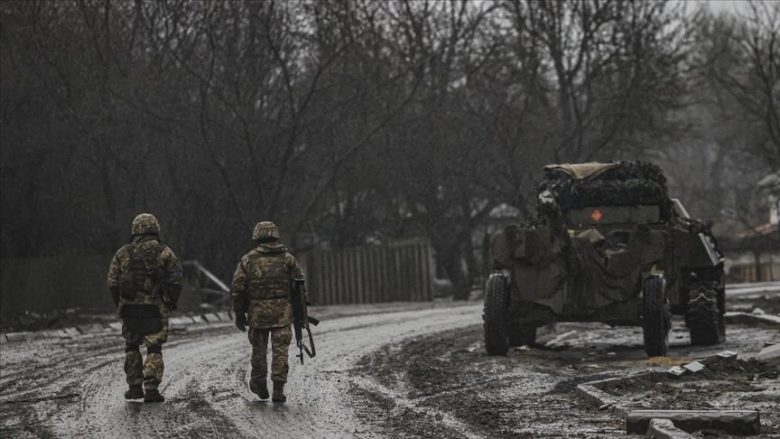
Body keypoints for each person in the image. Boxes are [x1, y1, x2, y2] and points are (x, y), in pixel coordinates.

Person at [106, 213, 182, 403]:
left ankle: (134, 387)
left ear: (135, 230)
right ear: (155, 229)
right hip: (155, 310)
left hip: (129, 309)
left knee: (131, 346)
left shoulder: (123, 253)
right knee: (154, 348)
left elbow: (112, 282)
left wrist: (120, 305)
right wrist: (170, 302)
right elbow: (176, 279)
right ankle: (151, 389)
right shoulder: (165, 252)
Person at [232, 221, 304, 403]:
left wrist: (239, 312)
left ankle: (259, 383)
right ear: (275, 235)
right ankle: (278, 388)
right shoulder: (288, 259)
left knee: (259, 350)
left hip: (257, 313)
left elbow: (238, 287)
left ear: (257, 236)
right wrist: (300, 312)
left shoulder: (248, 259)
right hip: (282, 312)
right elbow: (300, 287)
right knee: (280, 351)